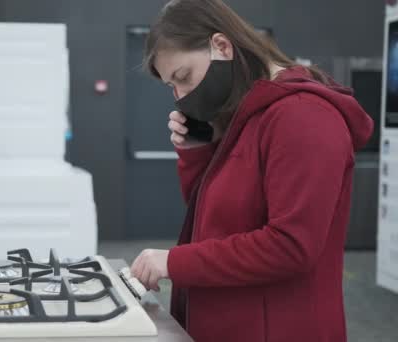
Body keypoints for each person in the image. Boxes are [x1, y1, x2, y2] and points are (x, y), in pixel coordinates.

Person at [129, 1, 373, 341]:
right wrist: (197, 153)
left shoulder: (304, 117)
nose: (181, 97)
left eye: (183, 77)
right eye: (172, 86)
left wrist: (174, 263)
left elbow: (290, 246)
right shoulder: (243, 116)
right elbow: (214, 220)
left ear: (222, 46)